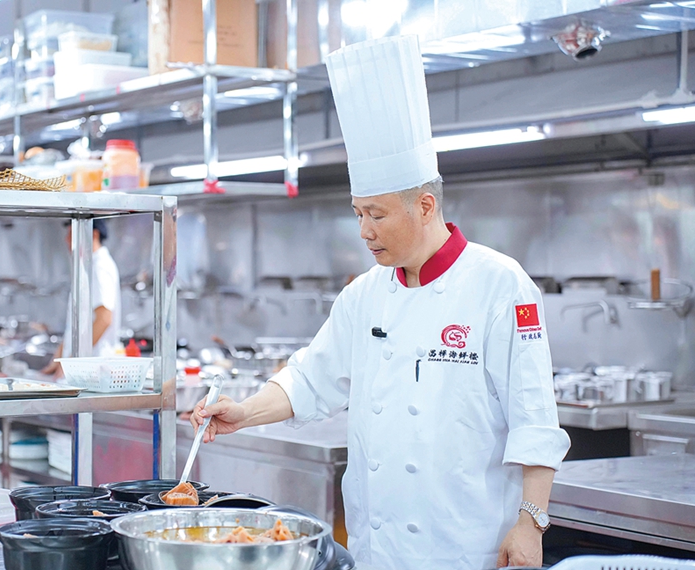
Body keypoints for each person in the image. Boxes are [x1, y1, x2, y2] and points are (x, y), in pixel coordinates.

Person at [192, 35, 570, 570]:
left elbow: (535, 417)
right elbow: (311, 378)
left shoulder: (500, 285)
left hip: (467, 545)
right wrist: (244, 412)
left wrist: (531, 523)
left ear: (425, 205)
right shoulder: (364, 294)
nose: (365, 230)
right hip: (379, 547)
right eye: (358, 213)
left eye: (377, 214)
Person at [43, 219, 122, 376]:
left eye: (72, 234)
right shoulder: (88, 266)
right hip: (81, 369)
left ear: (94, 235)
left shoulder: (100, 267)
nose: (66, 239)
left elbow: (104, 319)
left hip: (92, 370)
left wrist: (72, 362)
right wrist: (58, 359)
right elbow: (78, 325)